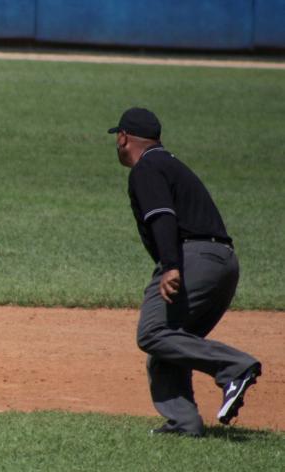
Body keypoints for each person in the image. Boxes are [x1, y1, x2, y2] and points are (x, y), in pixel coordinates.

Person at [109, 107, 261, 437]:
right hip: (223, 262)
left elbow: (162, 217)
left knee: (152, 333)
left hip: (193, 258)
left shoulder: (146, 168)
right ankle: (184, 423)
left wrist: (170, 266)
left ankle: (234, 367)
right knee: (168, 344)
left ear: (123, 138)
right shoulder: (170, 164)